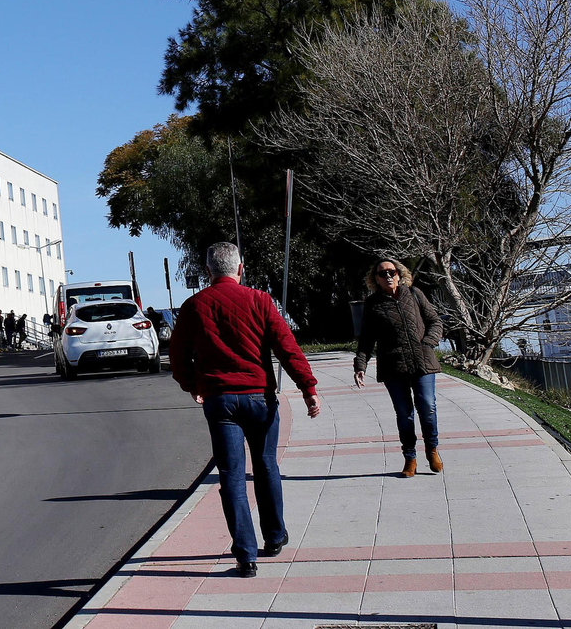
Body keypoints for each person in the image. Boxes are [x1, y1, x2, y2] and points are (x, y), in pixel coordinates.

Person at [170, 242, 321, 577]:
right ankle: (275, 536)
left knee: (232, 475)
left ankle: (245, 555)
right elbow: (287, 347)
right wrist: (308, 389)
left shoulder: (194, 306)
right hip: (259, 397)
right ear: (240, 268)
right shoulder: (260, 300)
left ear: (208, 271)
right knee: (266, 466)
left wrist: (193, 386)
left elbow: (177, 357)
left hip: (220, 400)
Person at [354, 258, 443, 477]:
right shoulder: (372, 304)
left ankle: (432, 449)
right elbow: (366, 339)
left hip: (423, 361)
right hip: (393, 366)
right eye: (382, 273)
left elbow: (435, 321)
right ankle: (410, 457)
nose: (388, 276)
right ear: (376, 279)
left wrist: (428, 343)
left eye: (391, 272)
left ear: (399, 274)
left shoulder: (414, 294)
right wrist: (360, 365)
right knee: (404, 414)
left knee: (428, 406)